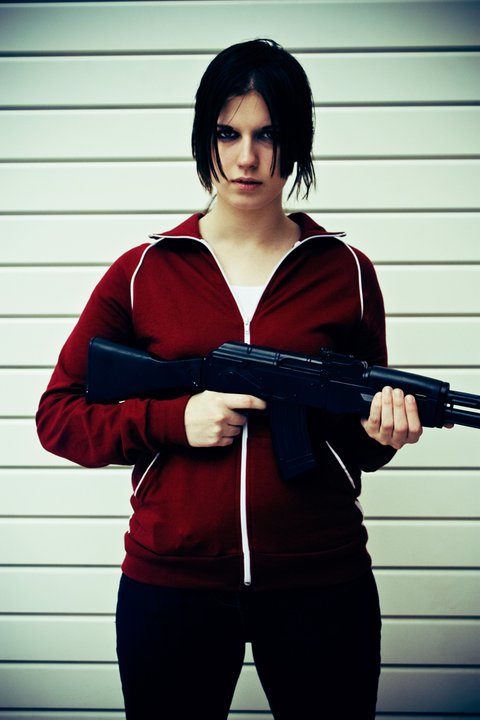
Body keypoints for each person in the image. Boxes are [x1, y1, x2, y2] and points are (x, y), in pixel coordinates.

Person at [36, 39, 424, 720]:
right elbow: (58, 416)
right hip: (171, 584)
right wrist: (172, 420)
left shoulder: (346, 271)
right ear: (204, 138)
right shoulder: (143, 271)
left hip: (321, 583)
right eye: (228, 133)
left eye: (268, 135)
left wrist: (382, 432)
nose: (247, 158)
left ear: (296, 142)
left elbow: (358, 447)